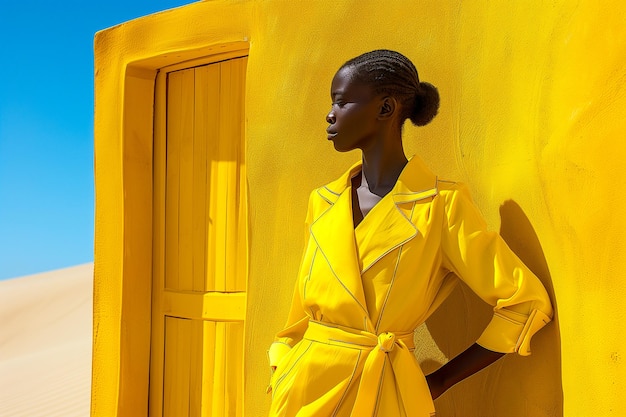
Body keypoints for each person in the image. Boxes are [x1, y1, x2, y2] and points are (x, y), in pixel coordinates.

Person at [266, 49, 553, 417]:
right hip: (301, 393)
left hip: (384, 392)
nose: (330, 113)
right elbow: (299, 315)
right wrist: (283, 364)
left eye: (342, 101)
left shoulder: (440, 205)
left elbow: (525, 304)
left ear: (386, 109)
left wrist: (437, 383)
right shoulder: (322, 201)